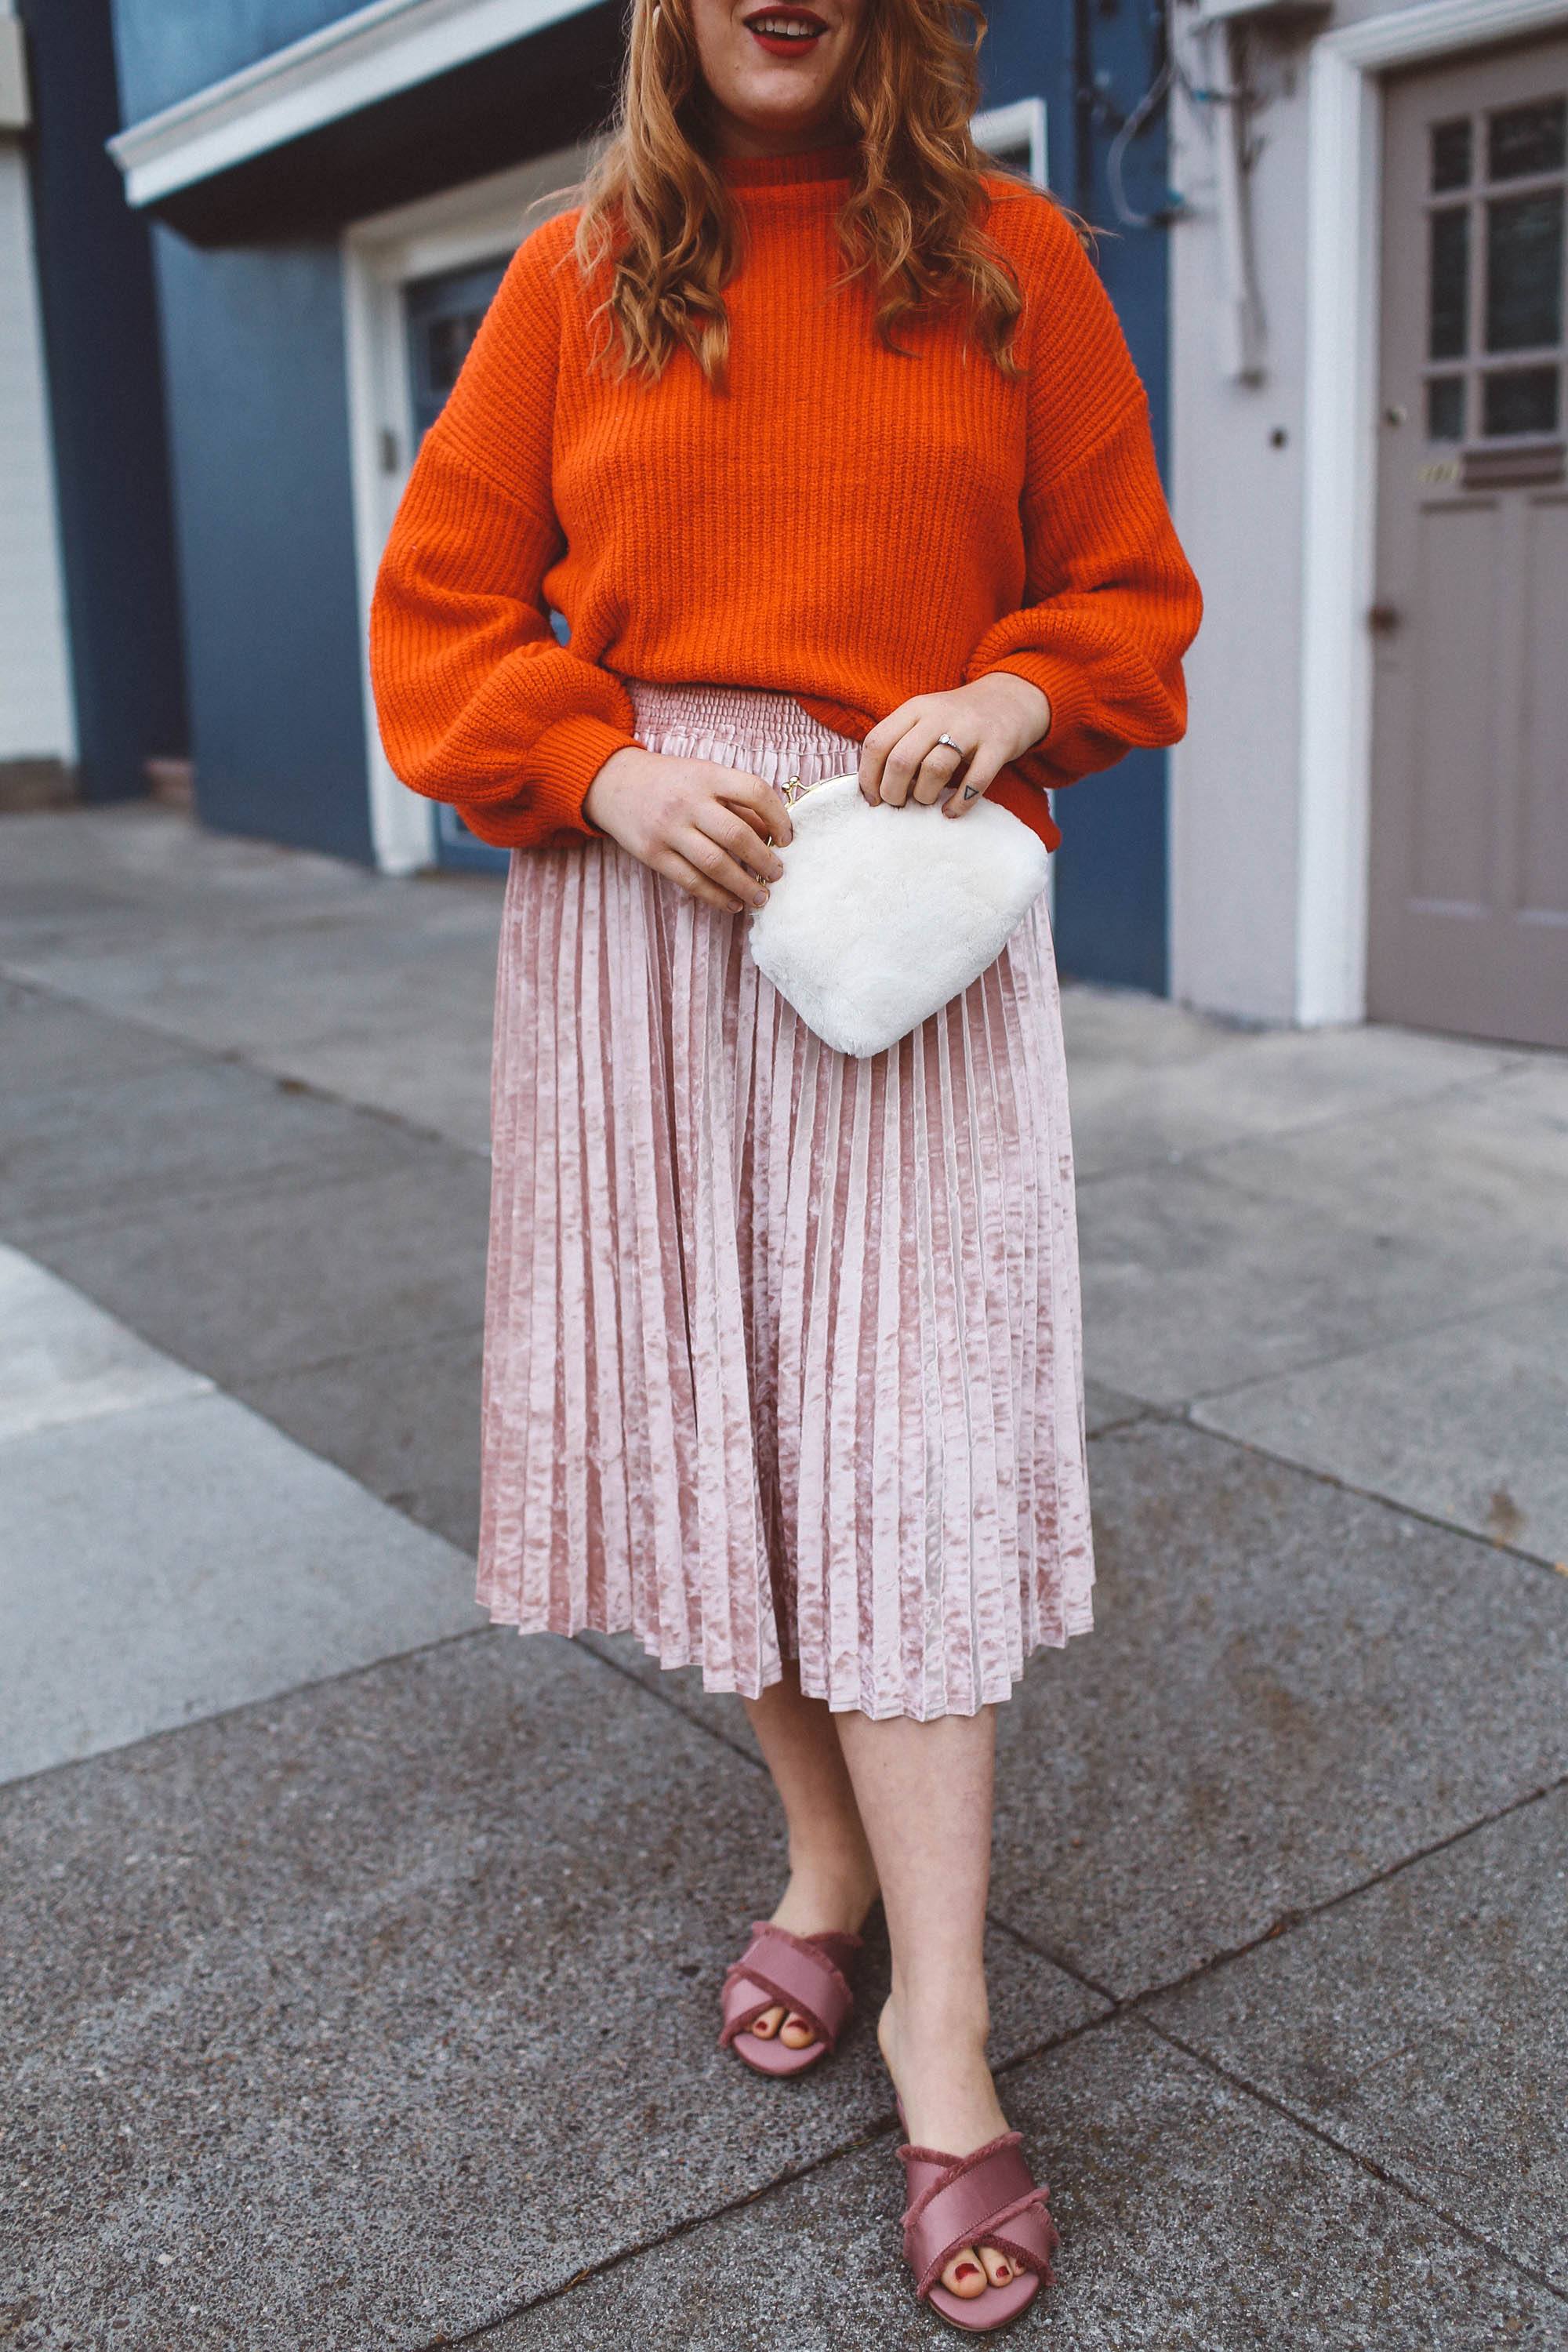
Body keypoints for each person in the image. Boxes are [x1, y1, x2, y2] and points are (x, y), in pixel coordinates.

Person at [369, 0, 1200, 2325]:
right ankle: (823, 1872)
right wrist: (601, 771)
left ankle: (946, 2028)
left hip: (912, 925)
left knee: (903, 1457)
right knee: (734, 1430)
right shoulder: (572, 275)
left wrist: (1016, 689)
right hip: (648, 924)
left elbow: (1132, 605)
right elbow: (440, 624)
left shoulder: (1018, 260)